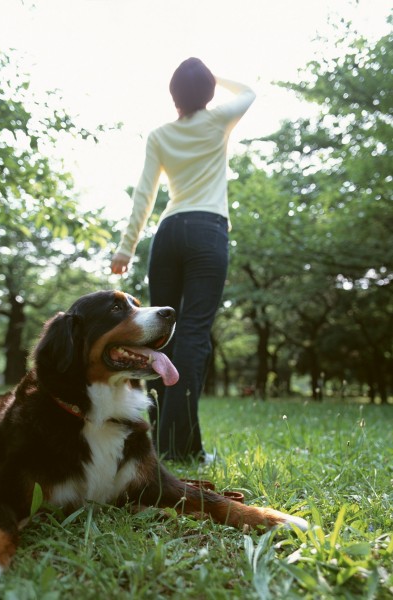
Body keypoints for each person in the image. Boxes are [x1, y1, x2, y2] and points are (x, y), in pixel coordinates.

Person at [111, 57, 255, 461]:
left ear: (173, 95)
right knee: (192, 335)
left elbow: (145, 194)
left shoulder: (159, 134)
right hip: (208, 231)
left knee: (160, 335)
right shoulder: (218, 120)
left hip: (169, 232)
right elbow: (249, 92)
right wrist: (215, 77)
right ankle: (180, 448)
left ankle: (167, 445)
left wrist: (126, 248)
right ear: (208, 92)